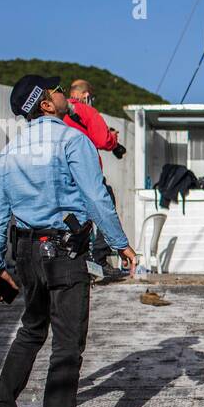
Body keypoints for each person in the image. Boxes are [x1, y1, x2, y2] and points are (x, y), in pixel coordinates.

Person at [0, 75, 136, 407]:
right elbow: (97, 198)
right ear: (47, 105)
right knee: (67, 343)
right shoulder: (73, 141)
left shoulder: (10, 151)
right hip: (64, 253)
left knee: (32, 330)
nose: (64, 95)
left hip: (25, 252)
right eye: (56, 91)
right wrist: (120, 244)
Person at [65, 79, 127, 279]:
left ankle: (75, 260)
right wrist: (113, 139)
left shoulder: (58, 113)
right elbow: (101, 139)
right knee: (103, 202)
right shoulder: (87, 111)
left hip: (63, 175)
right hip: (86, 173)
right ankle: (99, 259)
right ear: (86, 95)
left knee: (74, 218)